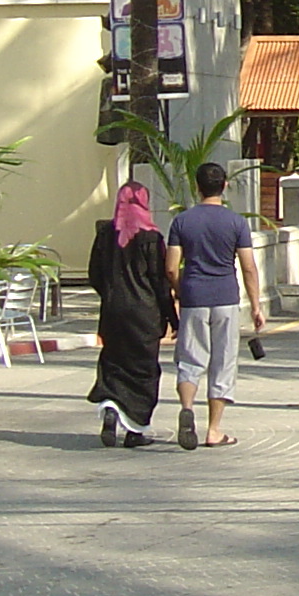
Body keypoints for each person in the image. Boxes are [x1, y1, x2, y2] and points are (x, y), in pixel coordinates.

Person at [164, 161, 265, 451]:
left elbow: (171, 267)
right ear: (225, 186)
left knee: (190, 359)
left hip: (194, 296)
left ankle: (186, 408)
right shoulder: (235, 222)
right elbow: (248, 267)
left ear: (197, 187)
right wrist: (256, 306)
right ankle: (214, 430)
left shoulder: (182, 222)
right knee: (222, 362)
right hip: (225, 298)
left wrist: (180, 290)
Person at [86, 181, 176, 449]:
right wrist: (172, 317)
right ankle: (135, 430)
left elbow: (94, 275)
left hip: (113, 311)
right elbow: (160, 283)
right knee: (144, 369)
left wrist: (111, 294)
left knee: (113, 361)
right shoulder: (152, 238)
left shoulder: (104, 234)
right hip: (144, 314)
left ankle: (111, 406)